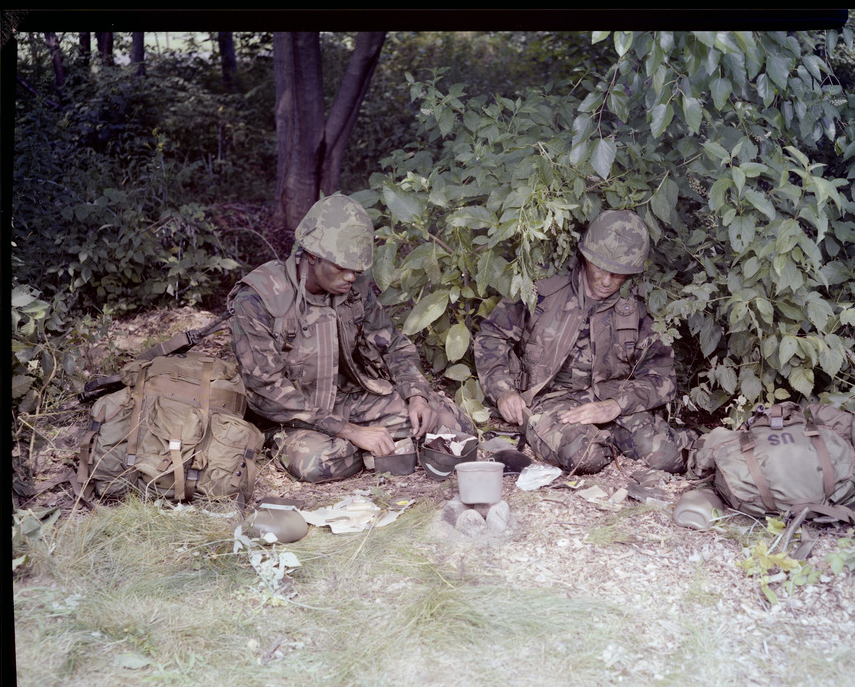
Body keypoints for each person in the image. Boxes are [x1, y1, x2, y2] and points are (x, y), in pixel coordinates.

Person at [228, 193, 473, 482]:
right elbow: (267, 390)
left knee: (452, 422)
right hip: (290, 416)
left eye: (356, 269)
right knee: (318, 464)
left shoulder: (353, 290)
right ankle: (376, 446)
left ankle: (378, 445)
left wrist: (416, 395)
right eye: (342, 267)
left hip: (345, 400)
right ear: (311, 255)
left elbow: (393, 347)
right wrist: (352, 432)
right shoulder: (259, 298)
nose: (350, 277)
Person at [474, 209, 692, 475]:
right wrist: (503, 391)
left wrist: (616, 405)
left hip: (612, 400)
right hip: (550, 400)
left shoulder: (641, 306)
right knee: (583, 456)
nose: (607, 281)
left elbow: (663, 379)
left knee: (665, 457)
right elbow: (491, 335)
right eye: (600, 268)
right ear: (585, 257)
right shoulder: (543, 284)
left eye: (618, 274)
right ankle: (603, 445)